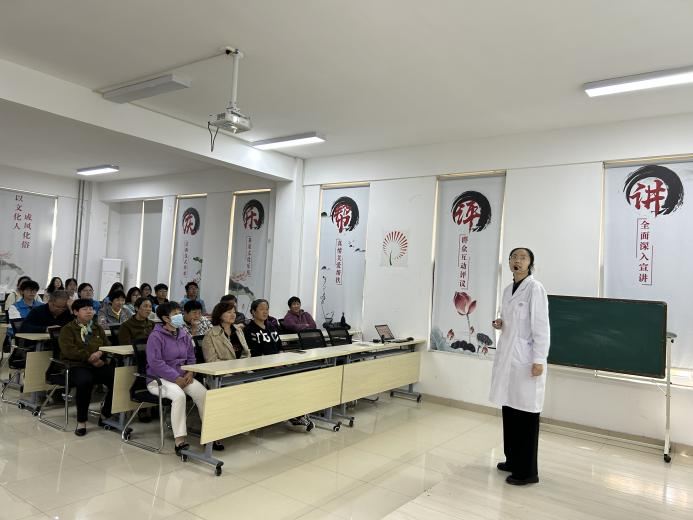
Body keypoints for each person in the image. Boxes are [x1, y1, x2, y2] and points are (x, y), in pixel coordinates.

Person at [490, 247, 550, 486]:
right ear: (509, 263)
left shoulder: (535, 289)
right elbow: (513, 322)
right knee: (510, 411)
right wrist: (501, 323)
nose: (518, 261)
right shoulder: (508, 290)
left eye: (523, 258)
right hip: (510, 359)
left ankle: (527, 472)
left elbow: (541, 327)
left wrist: (539, 359)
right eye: (514, 257)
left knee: (526, 415)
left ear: (530, 263)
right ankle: (512, 460)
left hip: (526, 360)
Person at [146, 302, 216, 454]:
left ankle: (210, 435)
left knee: (203, 394)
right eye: (175, 314)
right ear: (166, 318)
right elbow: (155, 362)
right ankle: (180, 440)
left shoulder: (183, 333)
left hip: (184, 376)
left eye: (180, 312)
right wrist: (176, 377)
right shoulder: (155, 336)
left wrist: (190, 372)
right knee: (179, 396)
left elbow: (191, 357)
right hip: (158, 379)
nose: (179, 316)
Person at [244, 298, 314, 432]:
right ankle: (294, 414)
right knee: (284, 381)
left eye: (267, 309)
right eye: (261, 309)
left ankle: (296, 413)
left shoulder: (271, 327)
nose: (265, 312)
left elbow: (279, 347)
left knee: (296, 376)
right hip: (261, 367)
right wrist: (273, 363)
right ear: (253, 312)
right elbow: (254, 354)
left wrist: (281, 360)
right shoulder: (249, 330)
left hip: (277, 364)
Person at [59, 298, 114, 436]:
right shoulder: (68, 329)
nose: (89, 311)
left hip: (97, 363)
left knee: (117, 377)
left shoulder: (96, 327)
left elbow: (107, 344)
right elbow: (69, 351)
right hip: (76, 365)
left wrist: (100, 353)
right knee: (85, 381)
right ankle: (81, 421)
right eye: (85, 309)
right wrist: (90, 358)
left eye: (91, 309)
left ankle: (106, 413)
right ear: (75, 312)